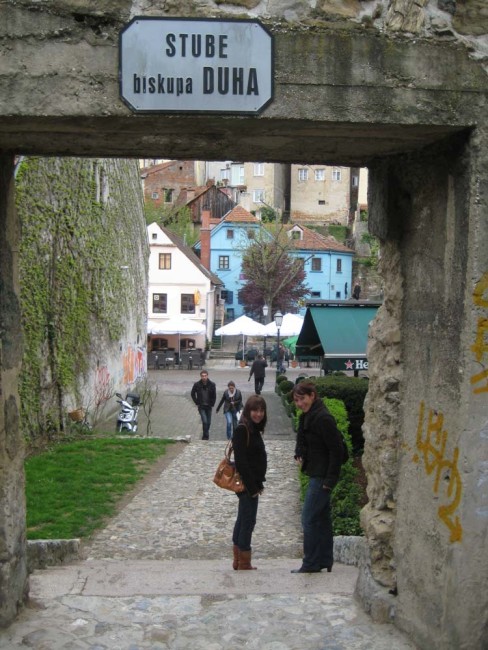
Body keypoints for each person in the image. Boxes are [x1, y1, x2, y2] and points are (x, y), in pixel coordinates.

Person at [291, 380, 344, 573]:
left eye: (302, 399)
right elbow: (303, 438)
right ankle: (324, 559)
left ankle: (311, 562)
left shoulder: (322, 418)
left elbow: (336, 450)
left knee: (308, 519)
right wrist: (299, 451)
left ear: (312, 396)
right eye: (296, 400)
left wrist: (330, 481)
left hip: (322, 476)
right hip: (315, 471)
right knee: (321, 519)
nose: (299, 404)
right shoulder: (308, 416)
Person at [232, 394, 267, 571]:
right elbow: (241, 462)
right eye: (255, 410)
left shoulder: (253, 428)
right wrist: (253, 488)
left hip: (252, 484)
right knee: (248, 521)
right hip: (247, 485)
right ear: (248, 410)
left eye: (261, 411)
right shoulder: (242, 429)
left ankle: (238, 559)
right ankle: (244, 561)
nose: (258, 414)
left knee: (243, 519)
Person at [190, 370, 216, 440]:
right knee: (205, 421)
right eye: (202, 376)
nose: (204, 377)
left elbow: (214, 395)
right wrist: (196, 402)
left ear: (207, 376)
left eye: (205, 376)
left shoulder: (212, 384)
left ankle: (205, 434)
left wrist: (212, 403)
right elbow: (192, 394)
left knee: (209, 422)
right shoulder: (197, 384)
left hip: (209, 406)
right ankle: (205, 437)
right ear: (200, 377)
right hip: (201, 406)